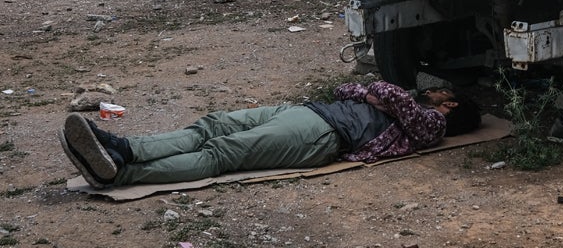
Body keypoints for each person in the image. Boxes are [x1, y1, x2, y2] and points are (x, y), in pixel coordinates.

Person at [58, 81, 480, 189]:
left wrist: (382, 94)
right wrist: (375, 93)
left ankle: (120, 174)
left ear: (450, 103)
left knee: (220, 153)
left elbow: (388, 93)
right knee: (213, 125)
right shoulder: (408, 108)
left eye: (440, 90)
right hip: (305, 113)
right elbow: (345, 89)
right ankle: (126, 147)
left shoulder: (434, 124)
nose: (432, 88)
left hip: (322, 133)